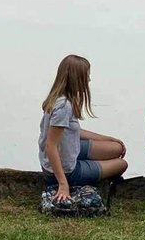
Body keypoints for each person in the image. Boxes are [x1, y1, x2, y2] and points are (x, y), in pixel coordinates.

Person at [39, 54, 127, 204]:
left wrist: (109, 139)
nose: (89, 80)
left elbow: (74, 132)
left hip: (69, 152)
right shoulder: (63, 106)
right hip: (66, 170)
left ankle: (92, 163)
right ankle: (79, 176)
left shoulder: (60, 99)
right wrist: (63, 183)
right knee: (122, 164)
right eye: (87, 76)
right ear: (77, 79)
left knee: (117, 148)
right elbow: (50, 145)